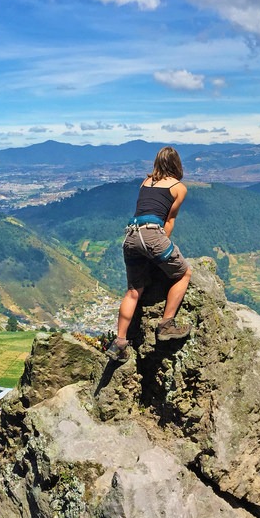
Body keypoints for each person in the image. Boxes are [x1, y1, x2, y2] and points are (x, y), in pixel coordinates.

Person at [109, 146, 192, 359]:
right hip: (152, 234)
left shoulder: (145, 183)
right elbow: (169, 221)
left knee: (134, 291)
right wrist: (162, 247)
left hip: (130, 236)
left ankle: (119, 343)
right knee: (184, 273)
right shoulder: (178, 187)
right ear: (177, 164)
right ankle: (166, 325)